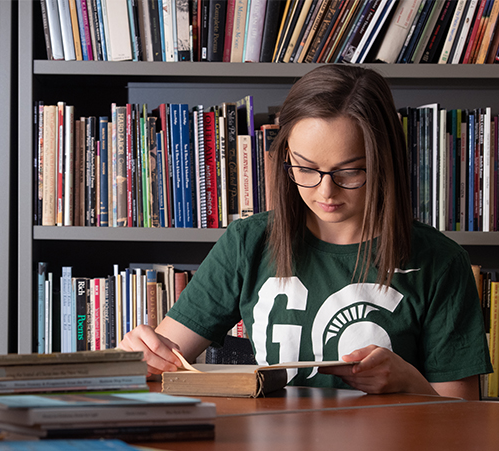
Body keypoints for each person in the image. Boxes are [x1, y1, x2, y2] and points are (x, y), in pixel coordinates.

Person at [120, 65, 492, 400]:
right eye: (305, 169)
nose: (325, 192)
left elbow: (461, 416)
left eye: (349, 172)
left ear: (385, 162)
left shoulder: (439, 262)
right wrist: (140, 357)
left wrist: (409, 382)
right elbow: (160, 363)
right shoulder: (249, 243)